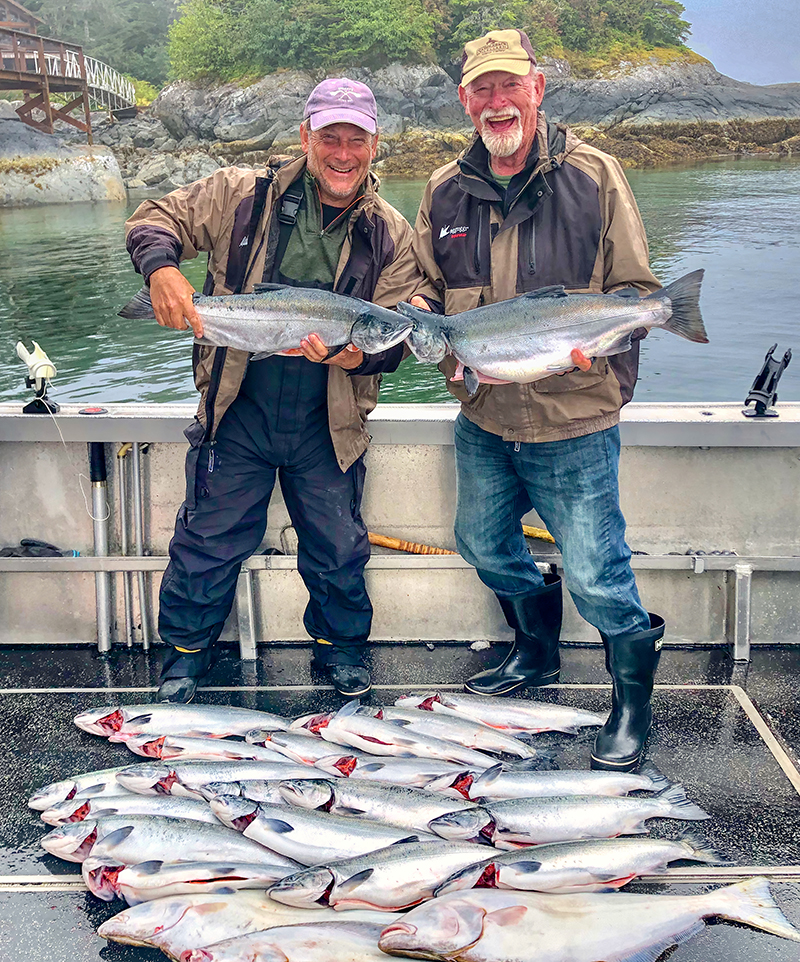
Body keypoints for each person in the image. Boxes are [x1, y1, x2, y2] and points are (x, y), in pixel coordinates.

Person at [409, 30, 665, 773]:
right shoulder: (443, 189)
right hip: (484, 413)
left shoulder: (595, 175)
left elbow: (638, 293)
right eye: (481, 90)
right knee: (483, 543)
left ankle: (630, 704)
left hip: (574, 415)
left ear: (538, 87)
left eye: (508, 86)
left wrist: (605, 339)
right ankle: (535, 652)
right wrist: (422, 317)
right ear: (464, 101)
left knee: (596, 570)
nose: (496, 103)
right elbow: (420, 286)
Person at [125, 78, 421, 704]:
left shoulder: (390, 232)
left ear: (375, 145)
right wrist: (164, 270)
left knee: (337, 545)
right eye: (330, 138)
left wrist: (349, 352)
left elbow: (396, 337)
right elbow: (154, 219)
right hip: (238, 406)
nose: (343, 153)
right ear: (307, 138)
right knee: (208, 538)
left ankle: (340, 651)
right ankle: (184, 653)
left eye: (356, 140)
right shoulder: (242, 195)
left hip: (329, 417)